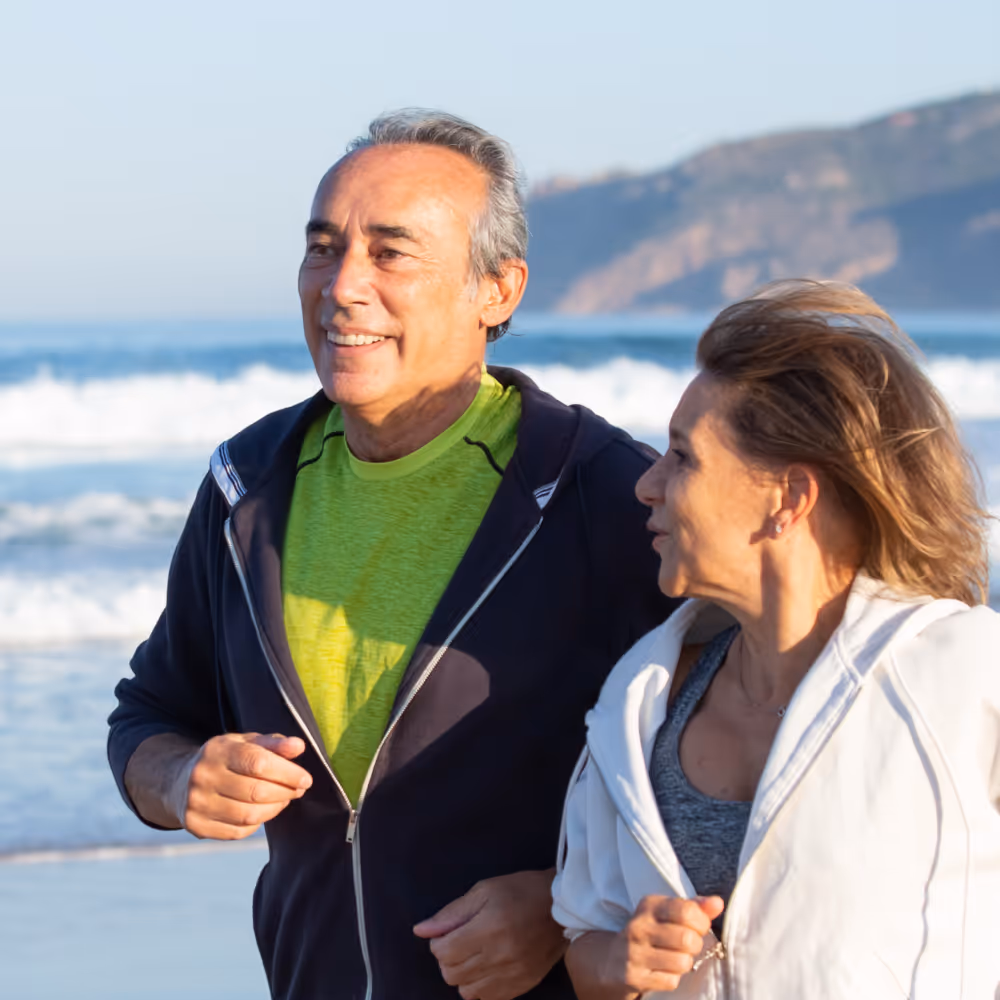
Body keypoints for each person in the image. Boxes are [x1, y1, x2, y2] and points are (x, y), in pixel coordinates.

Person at [107, 109, 674, 1000]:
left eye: (391, 253)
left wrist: (565, 907)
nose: (342, 286)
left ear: (498, 290)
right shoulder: (243, 487)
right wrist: (180, 780)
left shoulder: (605, 494)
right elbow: (148, 716)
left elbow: (743, 778)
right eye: (324, 248)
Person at [551, 280, 1000, 999]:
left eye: (682, 457)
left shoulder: (964, 670)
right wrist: (622, 960)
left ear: (787, 498)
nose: (647, 485)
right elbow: (586, 940)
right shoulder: (639, 701)